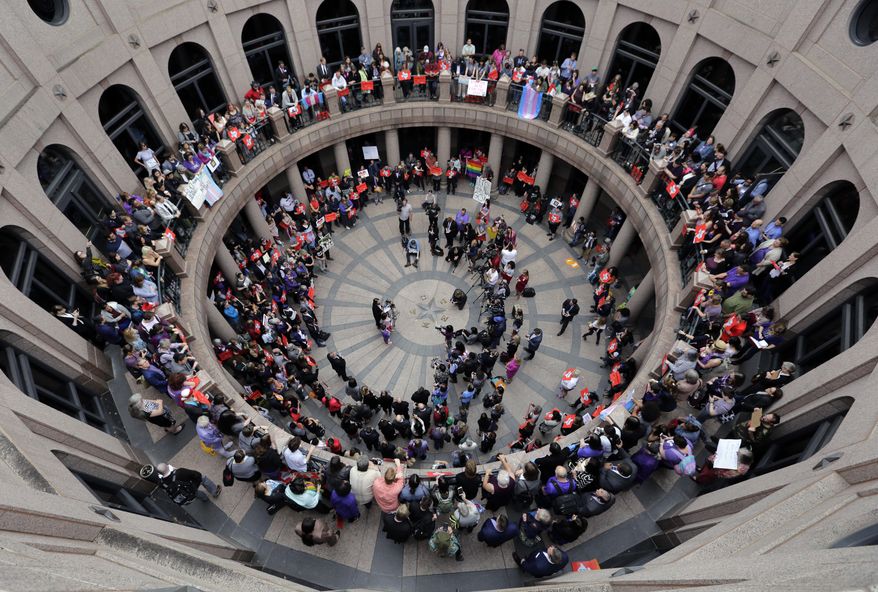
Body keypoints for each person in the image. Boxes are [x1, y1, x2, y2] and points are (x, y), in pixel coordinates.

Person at [147, 462, 220, 504]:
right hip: (193, 484)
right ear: (168, 467)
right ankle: (214, 492)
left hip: (187, 492)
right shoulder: (180, 472)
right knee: (203, 479)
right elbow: (196, 474)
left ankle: (205, 499)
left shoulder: (161, 483)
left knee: (196, 493)